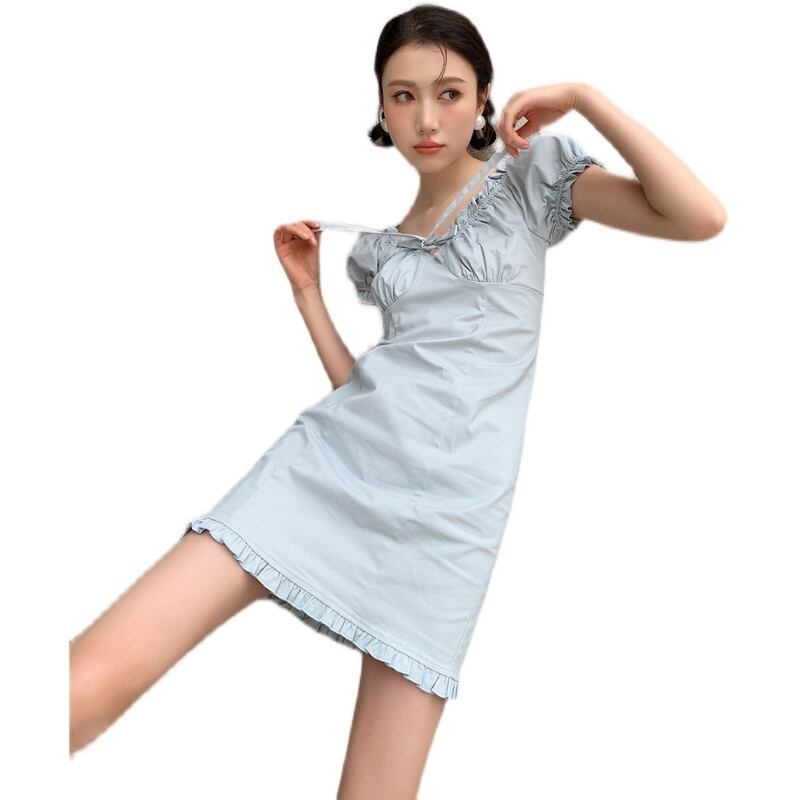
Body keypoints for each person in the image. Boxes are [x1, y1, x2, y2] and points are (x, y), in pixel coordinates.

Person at [69, 4, 726, 796]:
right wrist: (309, 295)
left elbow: (700, 217)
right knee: (86, 683)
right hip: (325, 468)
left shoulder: (529, 180)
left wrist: (585, 96)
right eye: (403, 95)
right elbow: (371, 388)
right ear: (381, 107)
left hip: (450, 522)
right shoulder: (381, 250)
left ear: (484, 98)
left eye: (449, 93)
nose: (426, 118)